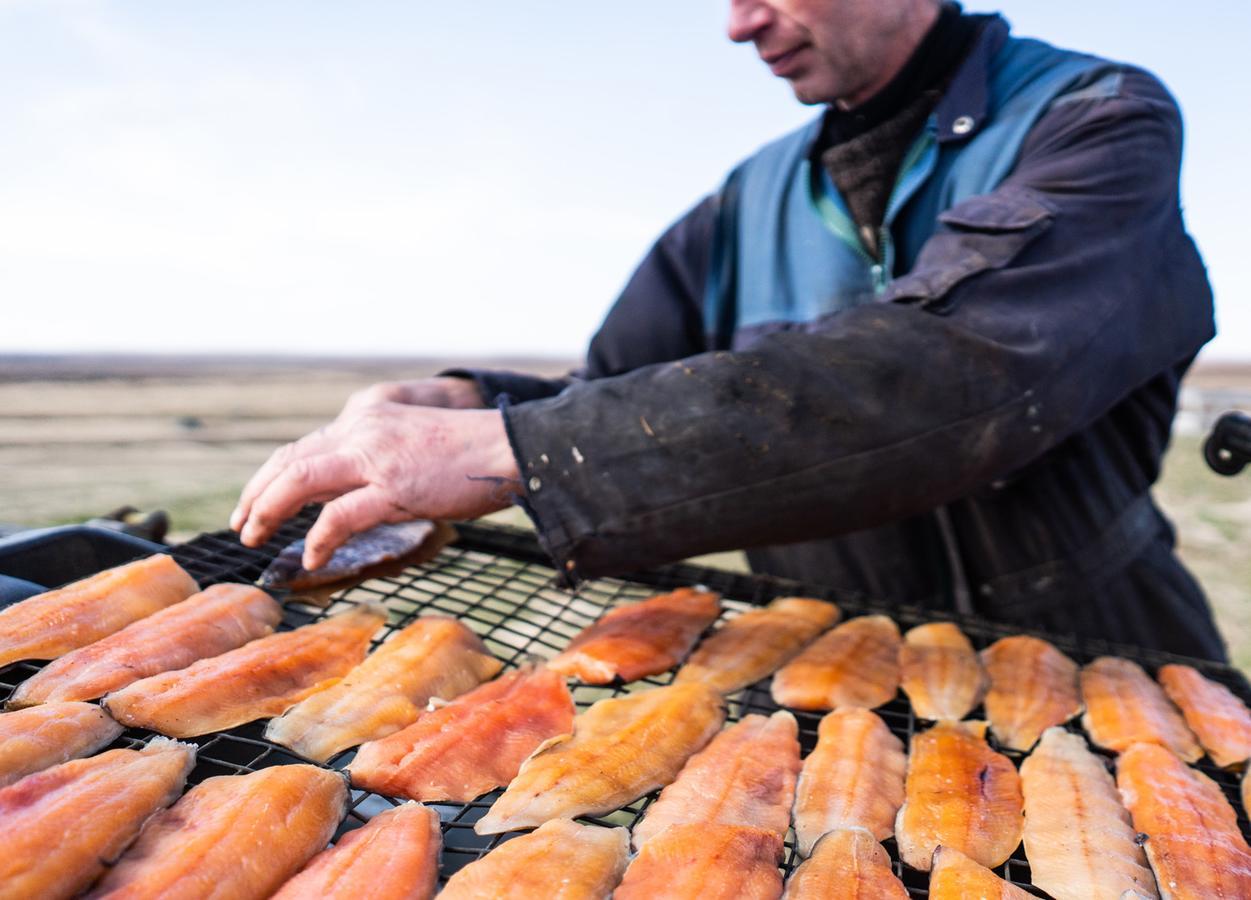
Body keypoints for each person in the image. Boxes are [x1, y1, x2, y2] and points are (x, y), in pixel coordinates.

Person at [232, 0, 1226, 660]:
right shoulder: (745, 203)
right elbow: (612, 398)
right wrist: (463, 403)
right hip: (830, 658)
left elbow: (961, 370)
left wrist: (509, 448)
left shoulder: (1095, 120)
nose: (740, 23)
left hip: (1093, 642)